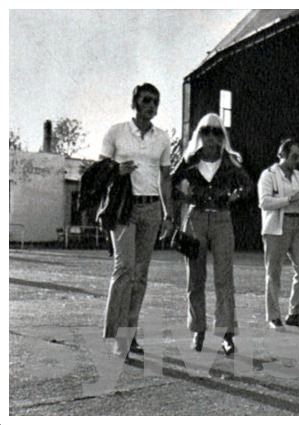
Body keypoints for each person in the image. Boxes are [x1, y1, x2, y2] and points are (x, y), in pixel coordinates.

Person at [101, 83, 174, 356]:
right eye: (146, 100)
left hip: (151, 208)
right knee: (124, 269)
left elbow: (165, 178)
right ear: (134, 103)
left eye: (156, 102)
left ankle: (128, 336)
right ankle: (115, 334)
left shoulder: (162, 138)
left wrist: (168, 214)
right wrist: (117, 169)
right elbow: (100, 171)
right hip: (124, 208)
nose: (151, 106)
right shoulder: (116, 132)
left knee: (140, 275)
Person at [171, 113, 252, 355]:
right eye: (206, 131)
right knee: (195, 279)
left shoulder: (231, 162)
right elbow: (172, 183)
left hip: (221, 219)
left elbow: (248, 185)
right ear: (199, 134)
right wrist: (187, 196)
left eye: (217, 132)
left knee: (224, 279)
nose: (211, 137)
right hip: (195, 219)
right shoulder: (189, 160)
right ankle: (198, 329)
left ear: (222, 136)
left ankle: (227, 334)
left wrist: (234, 195)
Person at [257, 138, 299, 331]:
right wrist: (290, 199)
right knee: (274, 272)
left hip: (297, 225)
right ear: (283, 154)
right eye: (294, 156)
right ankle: (273, 316)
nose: (297, 161)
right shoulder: (268, 175)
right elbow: (264, 202)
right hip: (276, 227)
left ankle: (295, 313)